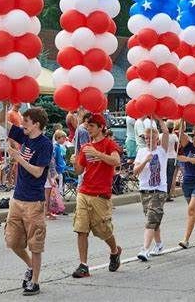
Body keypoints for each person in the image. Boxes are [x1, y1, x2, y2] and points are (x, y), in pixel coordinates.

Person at [0, 105, 53, 296]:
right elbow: (0, 120)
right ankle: (30, 267)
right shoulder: (24, 136)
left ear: (36, 124)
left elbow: (38, 172)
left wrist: (18, 158)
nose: (23, 125)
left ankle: (35, 282)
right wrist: (6, 104)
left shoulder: (45, 144)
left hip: (33, 202)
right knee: (12, 241)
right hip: (17, 199)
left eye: (26, 123)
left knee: (35, 244)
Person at [70, 114, 122, 278]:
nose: (88, 128)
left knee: (103, 231)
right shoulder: (85, 146)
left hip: (101, 194)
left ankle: (115, 251)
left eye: (92, 126)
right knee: (81, 229)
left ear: (101, 127)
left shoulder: (108, 143)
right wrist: (74, 161)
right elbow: (79, 171)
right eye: (87, 125)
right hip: (84, 192)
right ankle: (83, 265)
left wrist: (98, 154)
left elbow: (116, 161)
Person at [133, 118, 169, 261]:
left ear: (156, 139)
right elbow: (135, 171)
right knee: (154, 222)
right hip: (145, 190)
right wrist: (145, 161)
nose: (147, 140)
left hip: (159, 191)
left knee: (150, 220)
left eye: (150, 138)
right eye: (146, 138)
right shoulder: (141, 152)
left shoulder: (162, 150)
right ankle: (159, 244)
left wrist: (157, 117)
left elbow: (165, 132)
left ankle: (145, 249)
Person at [162, 120, 179, 202]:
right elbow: (178, 145)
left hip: (164, 157)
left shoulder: (161, 135)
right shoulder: (174, 136)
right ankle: (167, 194)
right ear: (172, 128)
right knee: (170, 177)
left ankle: (163, 193)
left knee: (164, 176)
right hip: (172, 157)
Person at [53, 130, 68, 195]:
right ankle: (59, 193)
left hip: (61, 168)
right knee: (59, 182)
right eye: (63, 138)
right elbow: (53, 159)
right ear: (58, 138)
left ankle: (60, 192)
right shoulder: (55, 147)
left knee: (61, 181)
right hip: (58, 169)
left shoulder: (59, 146)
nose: (65, 140)